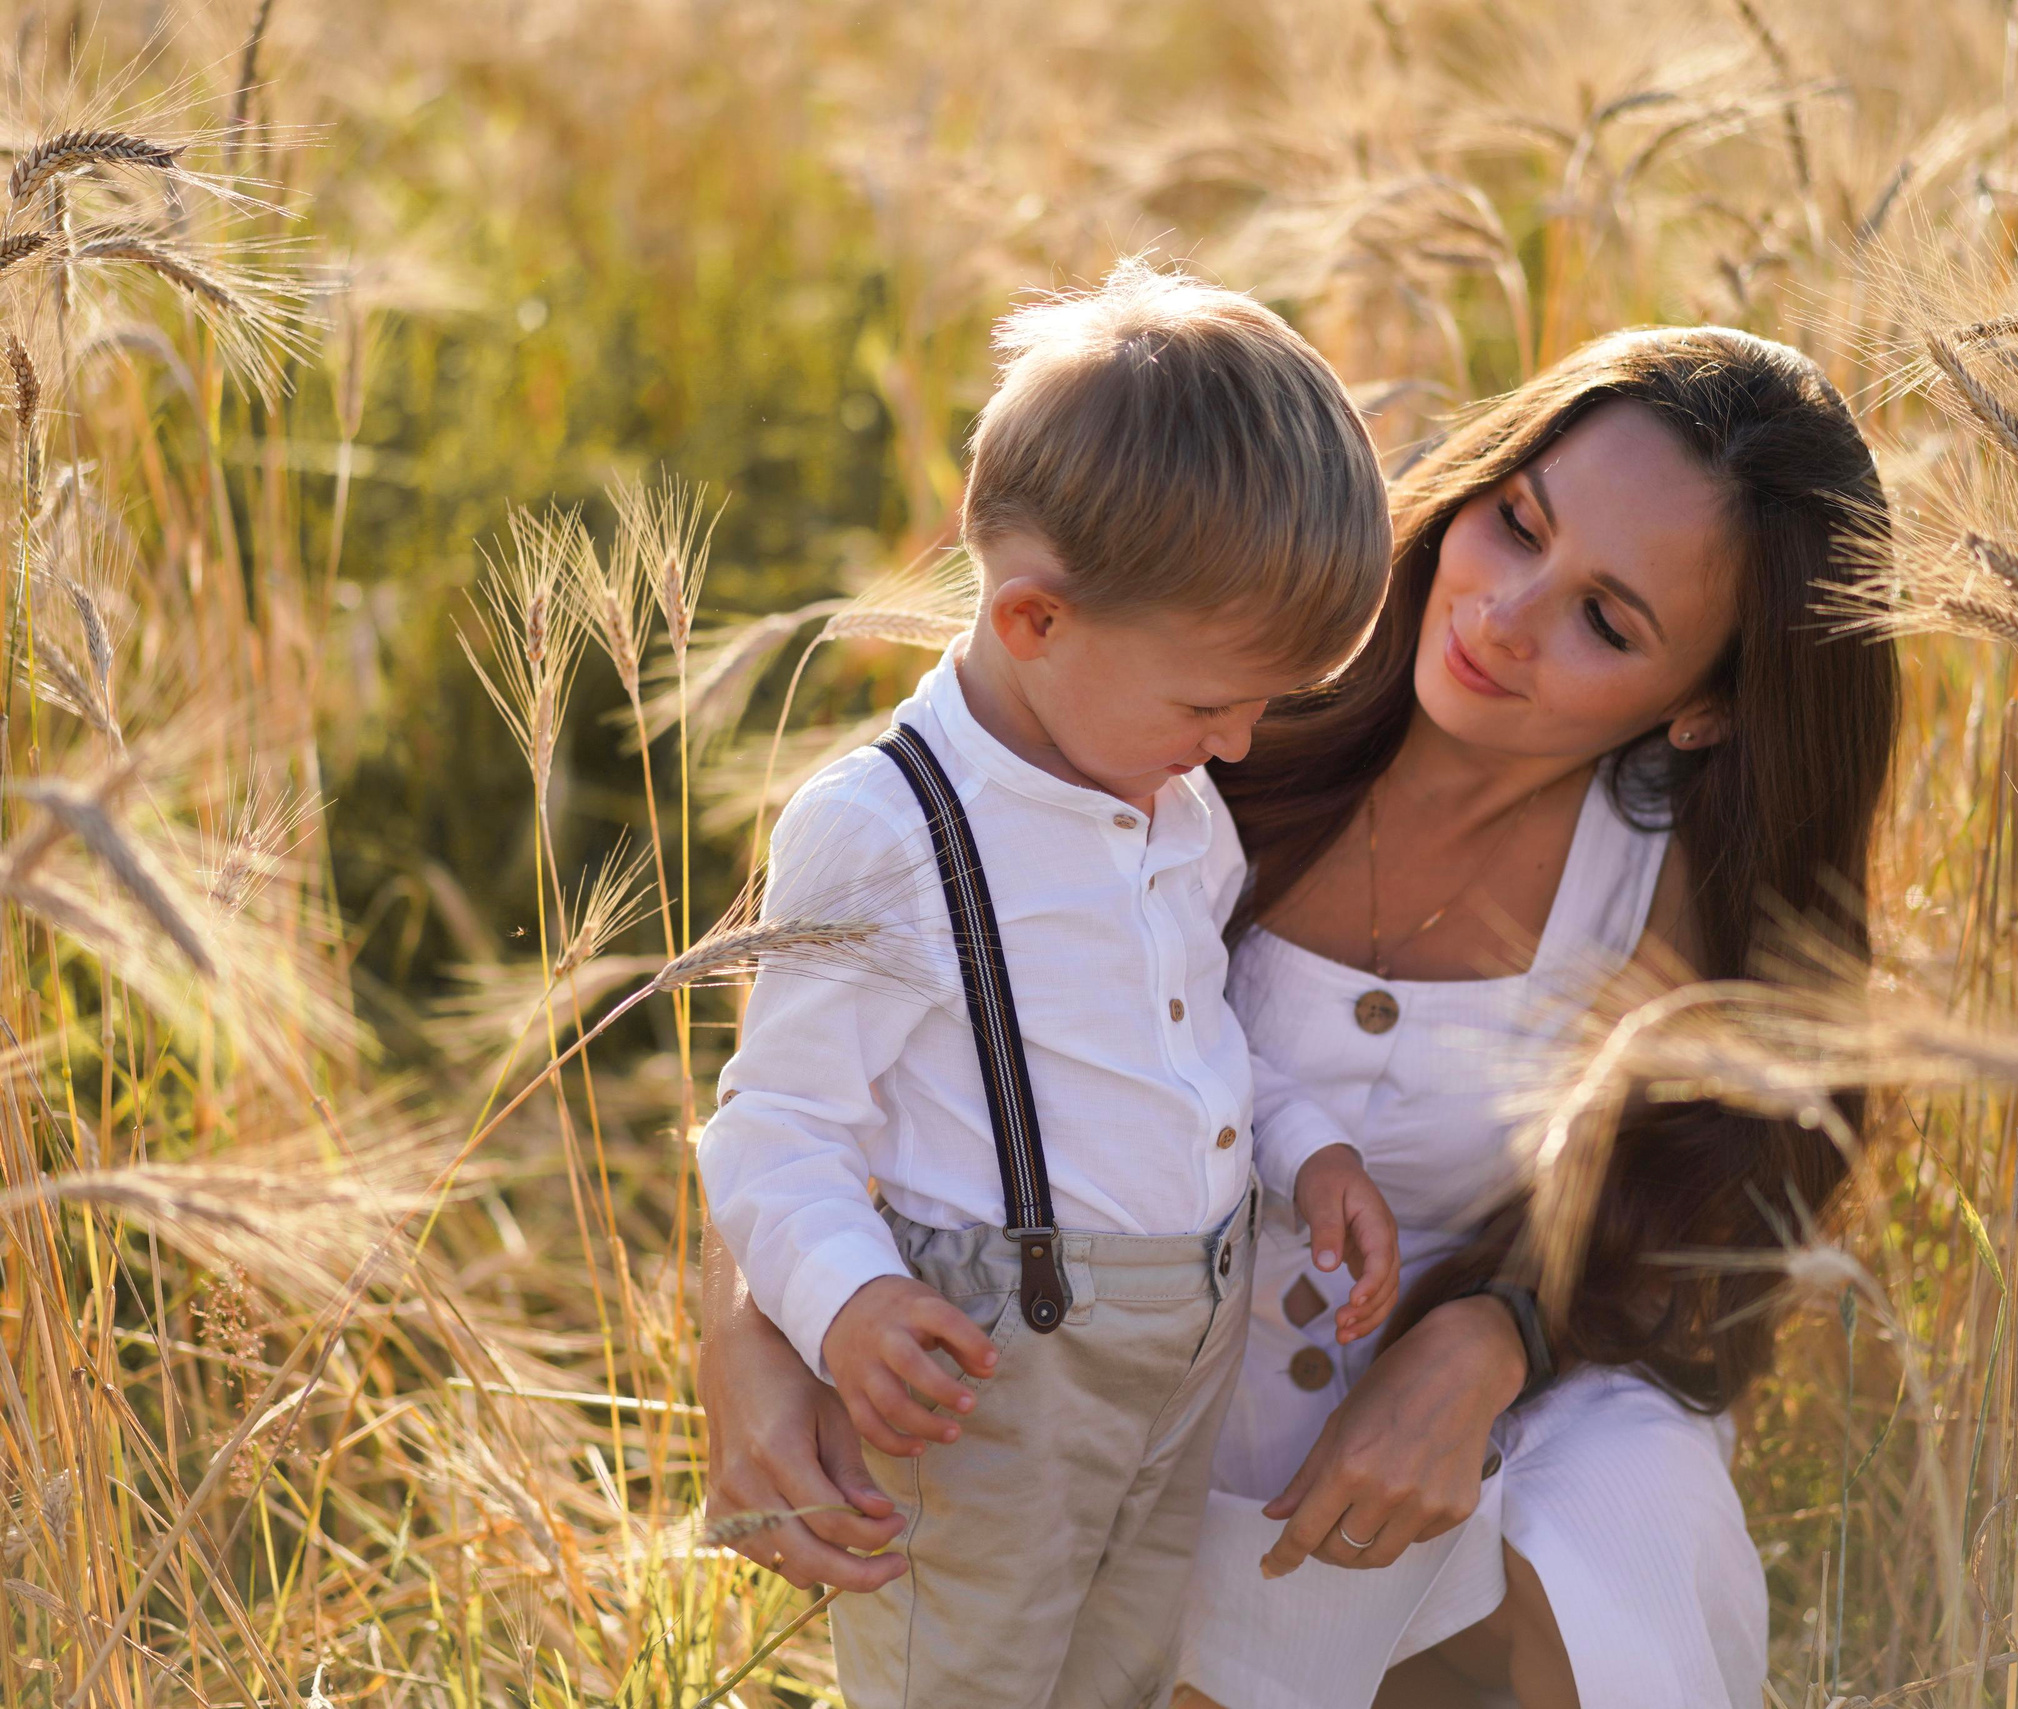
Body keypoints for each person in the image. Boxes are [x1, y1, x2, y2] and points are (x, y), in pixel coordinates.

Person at [700, 323, 1899, 1709]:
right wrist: (751, 1328)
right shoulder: (1192, 681)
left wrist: (1497, 1330)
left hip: (1482, 1420)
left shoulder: (1666, 875)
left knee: (1628, 1511)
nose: (1500, 617)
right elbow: (794, 1056)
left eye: (1605, 619)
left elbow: (1713, 1202)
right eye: (1516, 524)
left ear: (1702, 708)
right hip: (1110, 1394)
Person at [694, 259, 1405, 1709]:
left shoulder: (1169, 797)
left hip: (1184, 1346)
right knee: (969, 1675)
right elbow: (774, 1131)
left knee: (1123, 1667)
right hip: (990, 1371)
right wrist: (845, 1305)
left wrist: (1304, 1144)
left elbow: (1193, 1040)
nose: (1244, 746)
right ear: (1034, 622)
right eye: (1214, 702)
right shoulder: (884, 832)